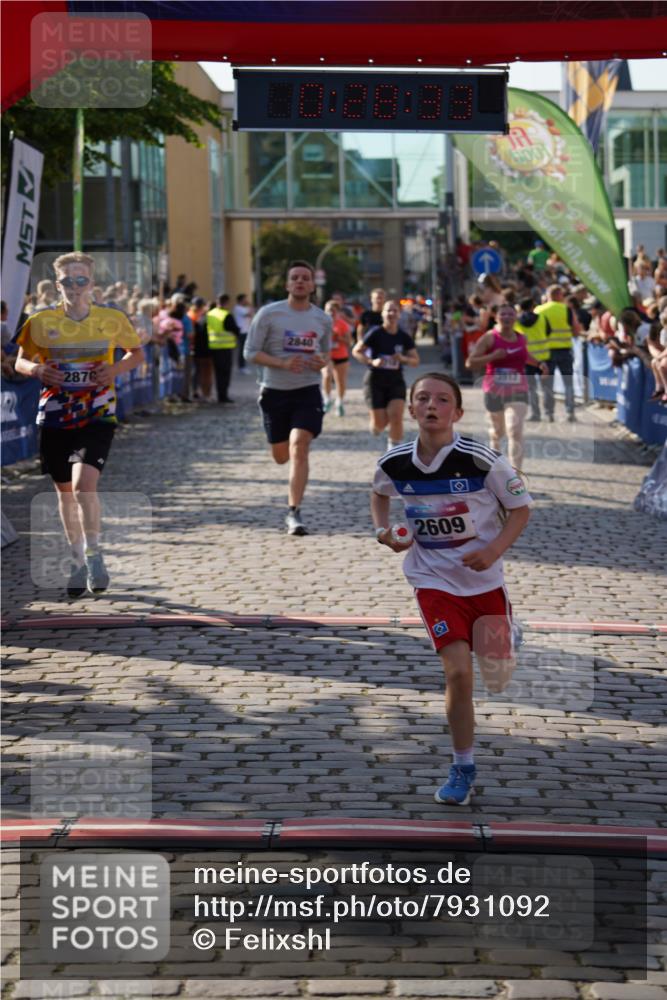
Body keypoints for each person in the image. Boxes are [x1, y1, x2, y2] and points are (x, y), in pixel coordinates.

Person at [371, 372, 532, 806]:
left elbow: (521, 509)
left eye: (442, 400)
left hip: (484, 581)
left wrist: (495, 549)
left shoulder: (483, 460)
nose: (431, 406)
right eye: (422, 398)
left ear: (457, 412)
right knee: (458, 673)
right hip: (433, 579)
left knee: (498, 677)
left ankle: (509, 634)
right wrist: (385, 532)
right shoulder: (395, 461)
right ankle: (463, 766)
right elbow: (379, 493)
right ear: (410, 408)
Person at [14, 252, 143, 596]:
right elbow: (20, 361)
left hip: (97, 413)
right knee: (65, 492)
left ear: (92, 283)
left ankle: (94, 553)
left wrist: (113, 369)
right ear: (58, 285)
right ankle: (76, 560)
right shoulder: (41, 322)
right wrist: (39, 370)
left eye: (81, 280)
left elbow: (137, 353)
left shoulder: (111, 319)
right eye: (68, 281)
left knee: (85, 484)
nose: (75, 286)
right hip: (55, 414)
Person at [244, 260, 331, 536]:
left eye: (305, 278)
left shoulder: (322, 318)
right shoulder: (269, 314)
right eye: (295, 278)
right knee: (281, 455)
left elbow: (326, 353)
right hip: (274, 391)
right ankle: (293, 504)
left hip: (307, 390)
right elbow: (250, 351)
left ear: (312, 285)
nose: (300, 282)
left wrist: (320, 362)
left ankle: (294, 511)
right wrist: (282, 364)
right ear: (287, 284)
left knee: (299, 445)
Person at [466, 302, 548, 471]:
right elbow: (470, 362)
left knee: (515, 430)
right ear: (496, 317)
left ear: (516, 317)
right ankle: (496, 470)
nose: (507, 317)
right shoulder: (489, 337)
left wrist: (539, 363)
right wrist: (492, 356)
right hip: (494, 390)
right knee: (497, 433)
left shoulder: (521, 337)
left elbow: (524, 356)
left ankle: (515, 476)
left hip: (518, 389)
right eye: (503, 314)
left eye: (510, 314)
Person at [352, 299, 420, 449]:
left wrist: (403, 358)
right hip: (375, 380)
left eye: (394, 310)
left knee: (396, 416)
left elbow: (415, 360)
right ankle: (375, 426)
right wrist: (371, 361)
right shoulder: (375, 333)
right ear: (382, 314)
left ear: (399, 314)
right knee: (380, 424)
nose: (391, 313)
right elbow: (356, 351)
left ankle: (394, 452)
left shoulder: (403, 336)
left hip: (395, 380)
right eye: (388, 310)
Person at [535, 284, 581, 422]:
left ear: (548, 295)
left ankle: (549, 413)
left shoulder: (539, 310)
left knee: (547, 383)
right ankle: (570, 412)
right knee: (568, 382)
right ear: (560, 295)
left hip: (546, 352)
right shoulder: (567, 310)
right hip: (564, 350)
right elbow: (576, 330)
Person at [514, 296, 552, 423]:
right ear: (532, 306)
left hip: (527, 358)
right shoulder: (542, 318)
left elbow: (516, 338)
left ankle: (535, 414)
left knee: (531, 388)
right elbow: (548, 332)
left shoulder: (517, 322)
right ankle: (549, 413)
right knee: (547, 387)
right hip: (544, 357)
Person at [206, 293, 240, 404]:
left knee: (217, 373)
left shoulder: (210, 314)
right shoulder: (226, 315)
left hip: (213, 347)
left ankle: (220, 394)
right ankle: (223, 396)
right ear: (226, 302)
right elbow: (235, 329)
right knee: (225, 373)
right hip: (225, 348)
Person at [322, 299, 352, 416]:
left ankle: (339, 402)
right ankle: (327, 399)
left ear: (338, 312)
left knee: (340, 381)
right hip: (326, 356)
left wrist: (338, 337)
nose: (331, 313)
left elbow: (349, 342)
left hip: (341, 355)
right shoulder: (322, 324)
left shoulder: (343, 325)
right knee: (326, 375)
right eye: (328, 311)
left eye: (333, 311)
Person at [233, 293, 253, 374]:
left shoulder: (243, 308)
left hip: (245, 331)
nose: (246, 301)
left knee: (244, 349)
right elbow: (249, 314)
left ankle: (242, 366)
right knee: (242, 350)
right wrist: (250, 305)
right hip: (241, 332)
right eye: (245, 299)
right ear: (241, 300)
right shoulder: (238, 308)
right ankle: (241, 367)